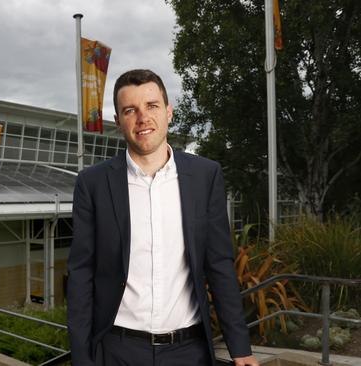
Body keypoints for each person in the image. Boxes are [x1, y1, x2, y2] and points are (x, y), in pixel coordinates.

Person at [67, 69, 258, 366]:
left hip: (188, 351)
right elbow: (81, 274)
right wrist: (81, 358)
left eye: (152, 106)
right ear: (118, 121)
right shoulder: (93, 184)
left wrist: (241, 349)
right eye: (131, 110)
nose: (143, 118)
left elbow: (219, 264)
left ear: (168, 112)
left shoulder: (205, 176)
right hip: (117, 351)